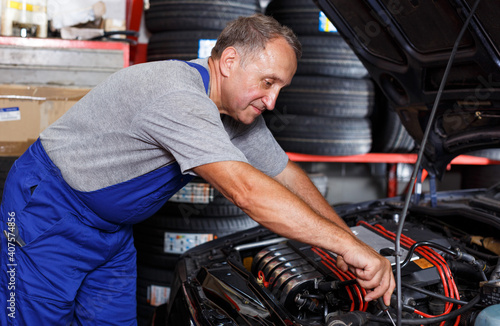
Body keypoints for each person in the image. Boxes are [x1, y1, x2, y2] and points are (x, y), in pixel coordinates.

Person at [0, 14, 394, 325]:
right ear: (229, 61)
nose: (272, 101)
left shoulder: (238, 115)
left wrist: (349, 242)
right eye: (268, 82)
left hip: (111, 233)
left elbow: (286, 176)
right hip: (46, 213)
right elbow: (249, 193)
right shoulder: (177, 94)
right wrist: (346, 246)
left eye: (280, 89)